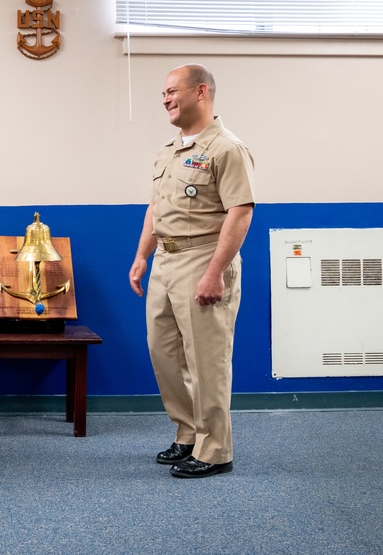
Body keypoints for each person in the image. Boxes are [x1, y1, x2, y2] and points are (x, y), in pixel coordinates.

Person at [128, 64, 255, 479]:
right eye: (162, 93)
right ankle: (187, 434)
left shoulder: (226, 149)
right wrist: (142, 256)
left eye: (171, 91)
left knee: (206, 361)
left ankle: (215, 449)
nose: (165, 99)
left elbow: (240, 212)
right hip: (165, 262)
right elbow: (155, 208)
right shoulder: (169, 150)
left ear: (200, 92)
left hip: (203, 259)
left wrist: (215, 272)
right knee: (164, 354)